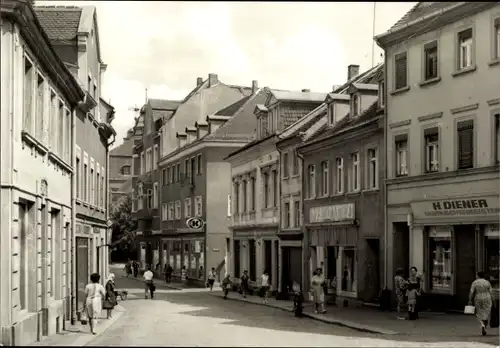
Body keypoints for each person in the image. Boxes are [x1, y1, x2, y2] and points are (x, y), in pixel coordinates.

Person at [469, 271, 493, 336]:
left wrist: (470, 300)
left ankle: (482, 325)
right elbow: (491, 291)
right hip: (487, 297)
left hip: (478, 297)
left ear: (478, 276)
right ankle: (485, 324)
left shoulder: (475, 282)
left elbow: (471, 291)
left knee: (479, 312)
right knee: (486, 312)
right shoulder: (487, 282)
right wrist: (493, 299)